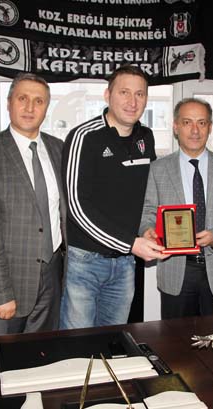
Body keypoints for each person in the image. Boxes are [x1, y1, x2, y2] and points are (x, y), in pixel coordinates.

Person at [60, 65, 166, 329]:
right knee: (77, 344)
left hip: (125, 263)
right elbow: (76, 207)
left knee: (112, 340)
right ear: (107, 95)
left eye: (140, 94)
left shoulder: (146, 137)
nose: (132, 102)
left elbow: (146, 196)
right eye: (124, 92)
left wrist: (146, 229)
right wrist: (131, 243)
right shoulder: (83, 136)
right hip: (85, 262)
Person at [0, 73, 65, 335]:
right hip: (9, 282)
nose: (30, 107)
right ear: (9, 103)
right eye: (22, 98)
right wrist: (0, 293)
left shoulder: (59, 149)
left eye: (39, 101)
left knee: (41, 352)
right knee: (0, 356)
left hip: (52, 276)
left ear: (46, 107)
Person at [139, 98, 213, 318]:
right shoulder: (157, 169)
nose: (195, 130)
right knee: (175, 337)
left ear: (210, 127)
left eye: (201, 122)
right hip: (176, 270)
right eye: (187, 122)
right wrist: (148, 230)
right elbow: (147, 210)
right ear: (175, 126)